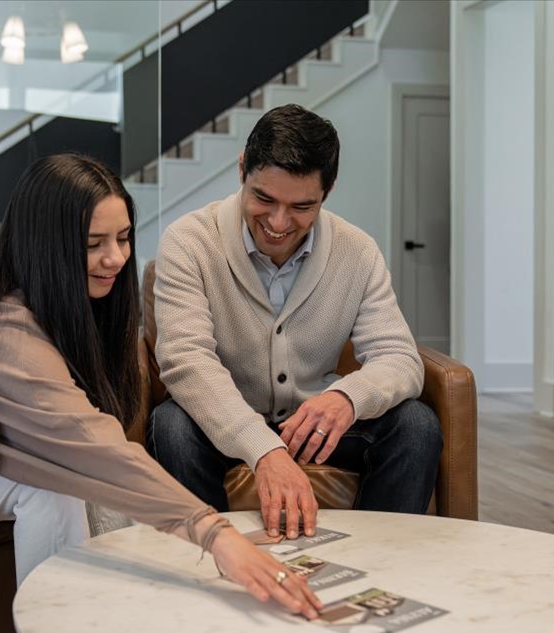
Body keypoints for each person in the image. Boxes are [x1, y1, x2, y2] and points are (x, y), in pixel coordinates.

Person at [0, 153, 323, 617]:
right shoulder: (10, 332)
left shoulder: (83, 300)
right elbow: (98, 451)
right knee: (54, 492)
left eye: (122, 238)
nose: (115, 258)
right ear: (45, 245)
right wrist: (216, 537)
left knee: (89, 494)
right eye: (94, 242)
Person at [148, 104, 443, 542]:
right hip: (224, 421)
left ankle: (379, 564)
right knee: (171, 425)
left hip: (315, 426)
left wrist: (347, 397)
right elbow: (186, 361)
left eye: (302, 206)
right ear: (242, 169)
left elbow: (400, 358)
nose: (279, 223)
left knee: (416, 426)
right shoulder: (189, 241)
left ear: (328, 191)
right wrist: (264, 450)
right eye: (264, 199)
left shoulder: (357, 251)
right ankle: (210, 565)